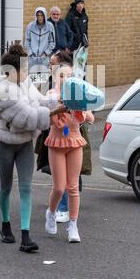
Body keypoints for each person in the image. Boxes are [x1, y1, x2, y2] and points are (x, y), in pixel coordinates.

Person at [0, 44, 65, 253]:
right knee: (5, 187)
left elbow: (39, 101)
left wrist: (56, 100)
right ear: (10, 71)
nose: (27, 72)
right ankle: (5, 226)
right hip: (6, 144)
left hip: (24, 144)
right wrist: (55, 111)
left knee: (25, 187)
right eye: (24, 69)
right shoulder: (2, 90)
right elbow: (27, 119)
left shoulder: (24, 83)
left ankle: (25, 235)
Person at [45, 63, 94, 243]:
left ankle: (73, 225)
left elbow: (90, 118)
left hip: (74, 142)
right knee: (59, 188)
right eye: (62, 76)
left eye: (69, 75)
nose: (66, 79)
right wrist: (58, 107)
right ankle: (51, 213)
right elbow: (46, 121)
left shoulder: (78, 96)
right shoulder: (51, 96)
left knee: (73, 187)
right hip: (56, 144)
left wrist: (82, 109)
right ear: (55, 77)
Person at [25, 7, 55, 72]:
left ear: (44, 16)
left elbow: (52, 42)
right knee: (32, 79)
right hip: (32, 59)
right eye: (38, 15)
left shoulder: (50, 26)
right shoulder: (30, 26)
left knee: (44, 79)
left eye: (41, 15)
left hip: (44, 59)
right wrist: (30, 53)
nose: (40, 17)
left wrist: (46, 53)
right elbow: (27, 41)